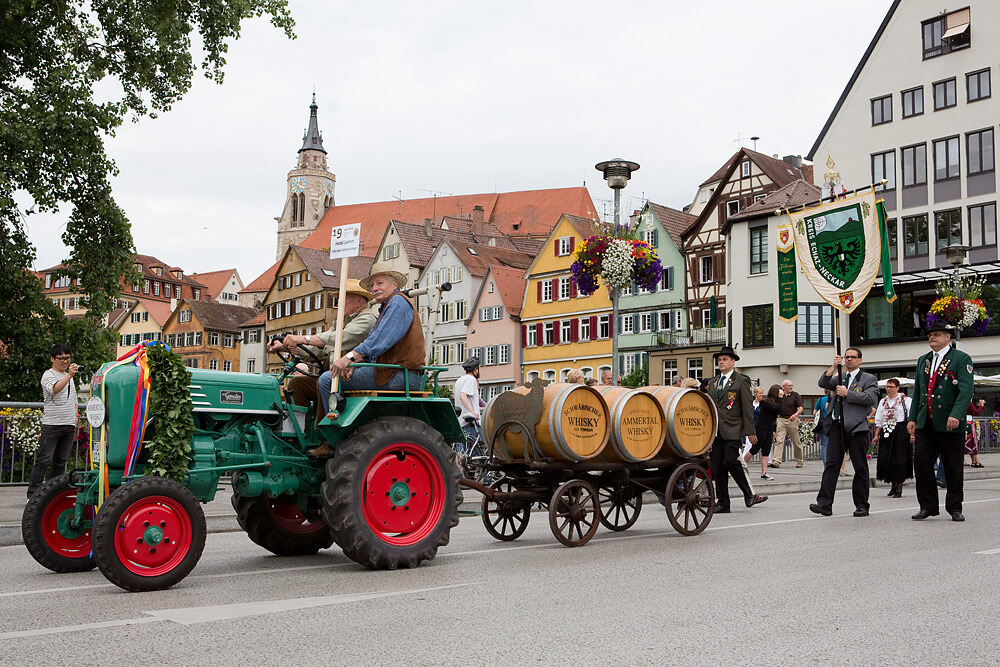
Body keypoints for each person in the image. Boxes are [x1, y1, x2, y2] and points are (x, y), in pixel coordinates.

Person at [269, 279, 377, 424]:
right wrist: (286, 347)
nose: (339, 304)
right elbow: (320, 349)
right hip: (334, 373)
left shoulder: (367, 320)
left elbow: (337, 339)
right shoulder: (342, 321)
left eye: (343, 299)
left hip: (352, 374)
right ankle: (300, 429)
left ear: (359, 302)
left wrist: (303, 338)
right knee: (297, 384)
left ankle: (323, 434)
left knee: (324, 381)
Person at [907, 322, 974, 522]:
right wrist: (912, 418)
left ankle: (955, 507)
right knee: (921, 464)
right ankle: (927, 506)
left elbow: (965, 390)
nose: (932, 338)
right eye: (930, 335)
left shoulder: (960, 359)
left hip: (948, 421)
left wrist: (957, 414)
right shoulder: (924, 360)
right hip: (925, 422)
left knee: (952, 465)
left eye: (936, 335)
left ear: (948, 337)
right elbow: (918, 391)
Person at [330, 261, 426, 393]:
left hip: (400, 375)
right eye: (372, 285)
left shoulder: (397, 302)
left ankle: (330, 414)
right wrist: (356, 363)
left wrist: (348, 358)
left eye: (380, 283)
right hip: (393, 372)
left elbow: (378, 342)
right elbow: (375, 347)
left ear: (394, 284)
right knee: (335, 377)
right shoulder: (387, 307)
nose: (374, 288)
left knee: (328, 380)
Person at [810, 348, 878, 517]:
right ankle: (824, 503)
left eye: (852, 357)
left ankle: (862, 504)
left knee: (860, 467)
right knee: (832, 465)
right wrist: (833, 367)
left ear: (860, 360)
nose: (848, 360)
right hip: (836, 426)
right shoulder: (840, 377)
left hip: (856, 428)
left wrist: (848, 393)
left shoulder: (868, 378)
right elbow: (823, 383)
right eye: (846, 357)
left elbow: (870, 399)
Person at [707, 346, 767, 513]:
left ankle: (748, 494)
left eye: (725, 359)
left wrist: (750, 431)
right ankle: (723, 502)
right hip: (716, 431)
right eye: (719, 359)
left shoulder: (741, 380)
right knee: (717, 465)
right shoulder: (713, 383)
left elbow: (747, 408)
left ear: (733, 362)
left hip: (733, 429)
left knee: (731, 460)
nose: (721, 362)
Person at [27, 344, 80, 499]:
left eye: (67, 358)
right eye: (61, 358)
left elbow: (74, 398)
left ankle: (53, 493)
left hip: (68, 424)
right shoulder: (48, 375)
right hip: (52, 424)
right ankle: (33, 495)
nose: (64, 361)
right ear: (52, 359)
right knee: (44, 460)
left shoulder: (69, 378)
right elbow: (54, 390)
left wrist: (75, 418)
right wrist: (69, 376)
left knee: (60, 462)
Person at [873, 378, 913, 498]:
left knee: (899, 459)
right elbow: (879, 419)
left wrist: (912, 434)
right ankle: (893, 485)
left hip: (901, 430)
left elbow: (911, 417)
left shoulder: (905, 400)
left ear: (897, 388)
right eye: (887, 386)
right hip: (887, 430)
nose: (888, 389)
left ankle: (899, 487)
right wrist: (876, 435)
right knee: (887, 458)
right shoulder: (883, 401)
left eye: (891, 387)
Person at [747, 384, 782, 480]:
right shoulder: (765, 402)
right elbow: (776, 409)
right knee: (755, 448)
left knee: (766, 450)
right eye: (779, 392)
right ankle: (741, 467)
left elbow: (775, 416)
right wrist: (781, 398)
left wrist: (774, 430)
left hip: (770, 428)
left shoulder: (776, 402)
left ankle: (764, 473)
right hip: (761, 428)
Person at [771, 380, 804, 468]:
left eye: (791, 385)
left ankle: (799, 460)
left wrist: (795, 414)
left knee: (796, 441)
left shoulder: (795, 395)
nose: (791, 387)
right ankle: (776, 461)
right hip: (781, 419)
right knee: (779, 441)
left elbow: (801, 408)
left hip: (792, 420)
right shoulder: (779, 396)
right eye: (789, 385)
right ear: (784, 386)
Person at [455, 357, 485, 443]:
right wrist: (472, 412)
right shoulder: (471, 379)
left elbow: (467, 402)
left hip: (461, 423)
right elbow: (463, 396)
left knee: (463, 453)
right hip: (470, 424)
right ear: (475, 369)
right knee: (483, 449)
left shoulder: (459, 380)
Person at [813, 389, 834, 466]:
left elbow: (814, 412)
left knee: (824, 445)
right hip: (832, 423)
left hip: (823, 424)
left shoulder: (820, 400)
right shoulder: (834, 399)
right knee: (833, 445)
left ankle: (826, 465)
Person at [965, 397, 985, 467]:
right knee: (972, 442)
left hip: (965, 423)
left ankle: (974, 461)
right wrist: (981, 406)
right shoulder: (967, 400)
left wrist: (977, 406)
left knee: (967, 443)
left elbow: (971, 410)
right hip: (968, 424)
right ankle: (975, 461)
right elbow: (975, 412)